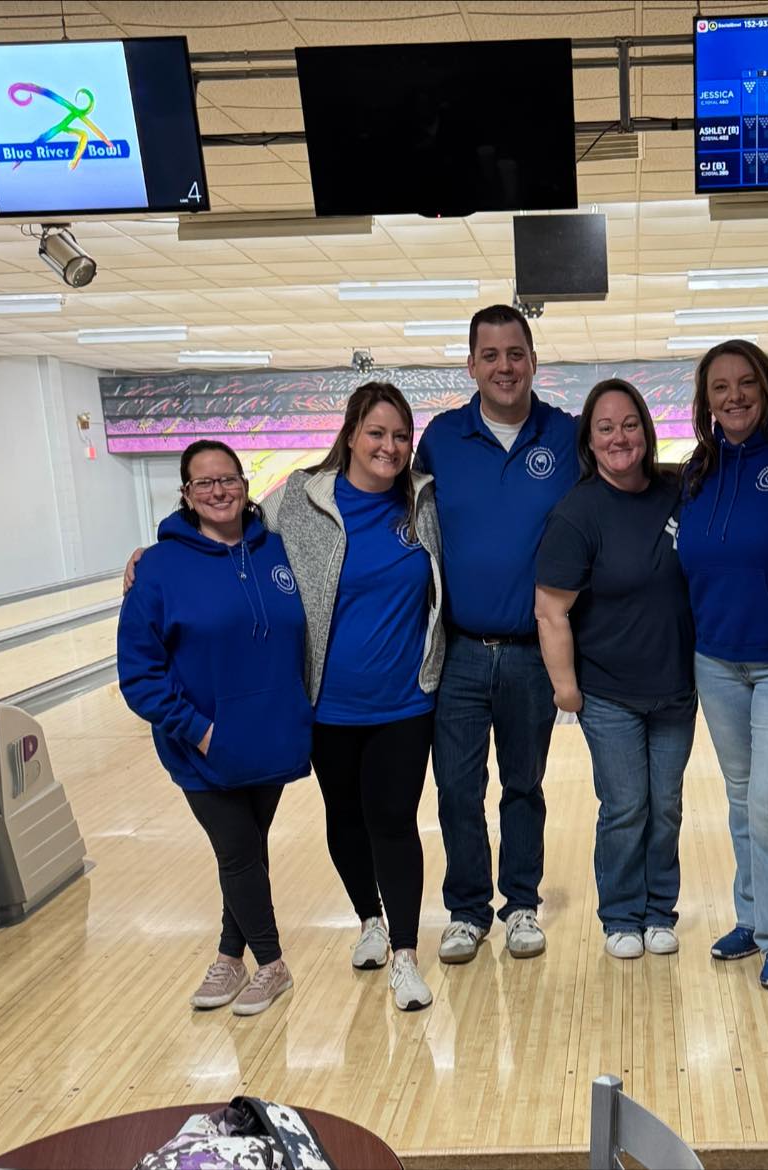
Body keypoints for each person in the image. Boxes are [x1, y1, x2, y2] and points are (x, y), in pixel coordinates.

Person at [117, 440, 312, 1017]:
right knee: (236, 850)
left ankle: (231, 954)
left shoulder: (277, 550)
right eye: (204, 483)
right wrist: (200, 731)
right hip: (200, 746)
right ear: (185, 494)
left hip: (270, 735)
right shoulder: (157, 569)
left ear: (246, 487)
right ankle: (272, 965)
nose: (219, 491)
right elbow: (140, 675)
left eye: (228, 479)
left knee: (247, 852)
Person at [271, 381, 444, 1012]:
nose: (390, 446)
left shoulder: (422, 502)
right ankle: (367, 919)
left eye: (401, 435)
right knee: (344, 819)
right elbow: (227, 528)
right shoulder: (300, 498)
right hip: (326, 705)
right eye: (377, 432)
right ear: (350, 434)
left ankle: (403, 953)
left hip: (404, 702)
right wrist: (154, 549)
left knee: (393, 822)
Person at [416, 304, 578, 964]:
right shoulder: (441, 438)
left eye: (516, 353)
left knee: (522, 785)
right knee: (456, 787)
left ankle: (522, 904)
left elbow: (630, 490)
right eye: (491, 355)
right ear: (472, 365)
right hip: (458, 649)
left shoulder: (566, 435)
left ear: (534, 360)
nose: (504, 366)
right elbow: (370, 496)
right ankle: (465, 909)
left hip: (531, 653)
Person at [676, 340, 768, 991]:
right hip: (717, 660)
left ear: (766, 387)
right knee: (741, 799)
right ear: (705, 401)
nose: (732, 396)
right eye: (719, 388)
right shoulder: (698, 470)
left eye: (744, 384)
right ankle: (751, 916)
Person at [534, 378, 696, 960]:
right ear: (590, 439)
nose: (619, 437)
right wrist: (567, 691)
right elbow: (550, 609)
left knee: (667, 804)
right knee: (626, 806)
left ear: (647, 431)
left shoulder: (677, 492)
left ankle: (660, 911)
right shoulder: (578, 513)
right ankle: (622, 913)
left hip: (676, 686)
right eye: (605, 427)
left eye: (629, 424)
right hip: (610, 692)